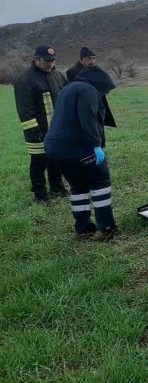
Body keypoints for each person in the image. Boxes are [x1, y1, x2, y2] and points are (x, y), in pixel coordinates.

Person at [45, 66, 117, 238]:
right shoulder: (89, 90)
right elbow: (89, 119)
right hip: (77, 147)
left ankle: (83, 229)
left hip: (54, 148)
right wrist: (96, 145)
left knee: (78, 187)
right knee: (100, 182)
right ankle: (106, 228)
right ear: (99, 83)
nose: (104, 93)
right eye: (105, 90)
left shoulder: (68, 88)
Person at [14, 45, 68, 203]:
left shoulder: (57, 75)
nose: (50, 64)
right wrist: (35, 132)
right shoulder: (25, 80)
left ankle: (57, 188)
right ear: (36, 59)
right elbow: (25, 110)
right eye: (46, 61)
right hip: (37, 132)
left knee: (56, 159)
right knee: (39, 163)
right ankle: (40, 196)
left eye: (52, 60)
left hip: (57, 130)